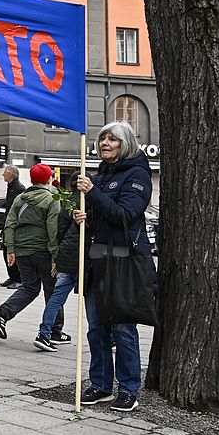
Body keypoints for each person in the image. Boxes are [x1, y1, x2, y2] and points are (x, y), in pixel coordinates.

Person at [75, 121, 153, 412]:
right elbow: (103, 217)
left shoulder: (137, 174)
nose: (105, 143)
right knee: (96, 328)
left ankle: (129, 389)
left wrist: (93, 193)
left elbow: (124, 215)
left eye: (113, 139)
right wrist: (83, 219)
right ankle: (101, 385)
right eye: (102, 138)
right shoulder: (101, 174)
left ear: (126, 143)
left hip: (122, 261)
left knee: (122, 328)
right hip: (96, 260)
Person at [0, 163, 61, 342]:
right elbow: (53, 229)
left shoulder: (20, 198)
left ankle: (1, 313)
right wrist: (55, 256)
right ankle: (54, 331)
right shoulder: (52, 199)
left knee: (30, 287)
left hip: (22, 251)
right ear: (49, 179)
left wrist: (10, 249)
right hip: (42, 251)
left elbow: (9, 224)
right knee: (52, 290)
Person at [36, 174, 80, 352]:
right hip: (84, 257)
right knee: (95, 298)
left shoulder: (65, 203)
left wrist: (56, 258)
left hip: (65, 255)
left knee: (56, 297)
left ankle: (44, 333)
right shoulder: (90, 202)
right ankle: (110, 337)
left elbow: (58, 231)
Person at [0, 165, 26, 287]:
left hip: (13, 225)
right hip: (7, 223)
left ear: (11, 174)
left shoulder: (19, 188)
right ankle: (12, 277)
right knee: (5, 251)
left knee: (12, 251)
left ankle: (18, 279)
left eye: (5, 172)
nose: (3, 174)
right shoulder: (10, 187)